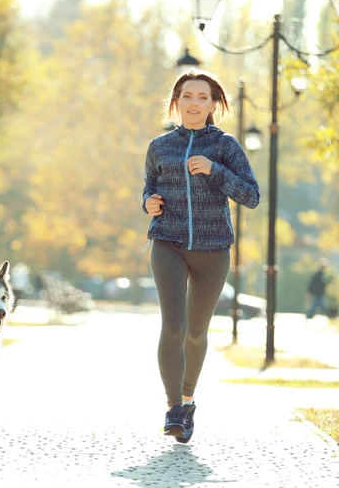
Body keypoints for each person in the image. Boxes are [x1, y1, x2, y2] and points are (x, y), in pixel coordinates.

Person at [142, 69, 260, 443]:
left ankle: (189, 399)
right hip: (168, 243)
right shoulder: (160, 146)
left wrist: (215, 170)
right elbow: (149, 184)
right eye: (187, 96)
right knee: (173, 327)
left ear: (214, 104)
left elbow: (251, 196)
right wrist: (147, 202)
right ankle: (174, 408)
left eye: (202, 97)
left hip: (213, 249)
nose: (193, 103)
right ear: (176, 102)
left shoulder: (225, 146)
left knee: (195, 332)